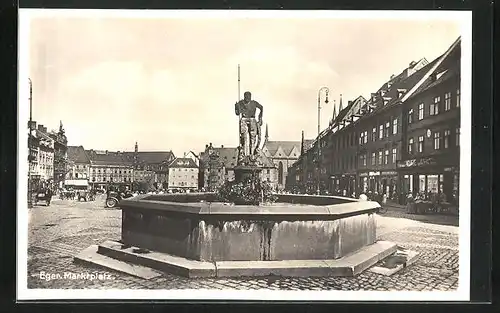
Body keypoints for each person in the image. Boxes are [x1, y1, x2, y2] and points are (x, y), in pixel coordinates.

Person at [235, 91, 264, 157]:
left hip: (252, 119)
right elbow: (237, 113)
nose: (247, 98)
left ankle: (252, 154)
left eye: (248, 97)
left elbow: (261, 107)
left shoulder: (254, 103)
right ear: (244, 97)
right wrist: (236, 107)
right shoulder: (241, 103)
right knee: (244, 137)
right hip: (244, 119)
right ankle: (244, 154)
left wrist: (260, 118)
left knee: (252, 137)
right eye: (246, 97)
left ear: (250, 97)